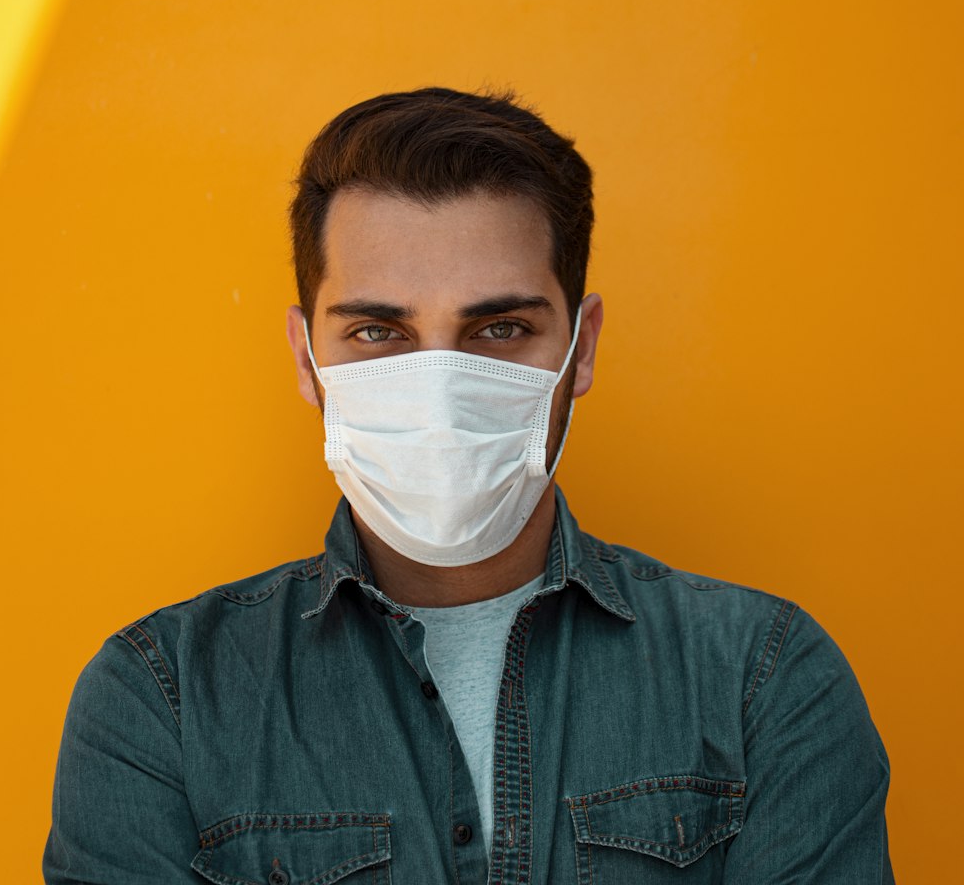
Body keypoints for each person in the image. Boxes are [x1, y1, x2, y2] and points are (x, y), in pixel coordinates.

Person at [44, 87, 894, 884]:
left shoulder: (762, 679)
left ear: (581, 347)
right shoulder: (162, 700)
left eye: (500, 328)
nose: (441, 386)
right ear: (308, 358)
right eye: (379, 330)